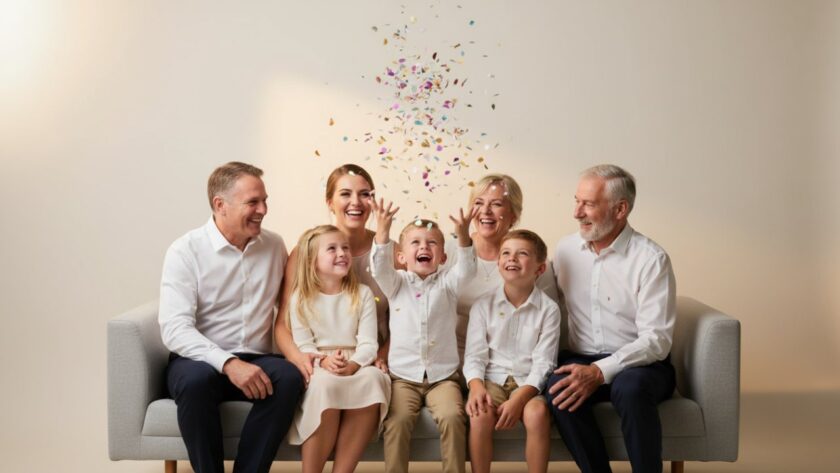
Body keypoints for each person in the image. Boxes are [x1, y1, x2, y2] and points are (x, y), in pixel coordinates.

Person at [159, 162, 303, 473]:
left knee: (289, 377)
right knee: (196, 382)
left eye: (265, 201)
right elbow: (174, 329)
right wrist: (228, 363)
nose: (263, 209)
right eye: (253, 202)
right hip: (198, 360)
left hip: (259, 358)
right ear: (220, 205)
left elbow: (294, 306)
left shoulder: (275, 245)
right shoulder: (186, 251)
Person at [545, 164, 677, 473]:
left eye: (588, 204)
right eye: (576, 201)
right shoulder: (565, 249)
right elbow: (540, 302)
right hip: (580, 355)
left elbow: (656, 340)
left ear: (620, 209)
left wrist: (599, 371)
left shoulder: (651, 259)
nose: (577, 212)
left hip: (641, 364)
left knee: (629, 389)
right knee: (558, 388)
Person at [369, 198, 478, 473]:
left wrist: (464, 235)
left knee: (454, 417)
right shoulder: (395, 283)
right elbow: (380, 266)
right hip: (403, 378)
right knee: (396, 421)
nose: (424, 247)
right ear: (402, 257)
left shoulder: (449, 284)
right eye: (415, 243)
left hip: (443, 378)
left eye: (431, 243)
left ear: (442, 257)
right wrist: (382, 231)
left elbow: (467, 269)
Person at [286, 225, 391, 473]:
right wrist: (323, 361)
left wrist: (354, 364)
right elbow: (304, 345)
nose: (342, 253)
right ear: (313, 262)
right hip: (320, 363)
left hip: (358, 361)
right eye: (332, 249)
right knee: (324, 384)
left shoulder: (362, 294)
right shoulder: (300, 298)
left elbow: (368, 342)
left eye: (345, 248)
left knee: (373, 379)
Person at [275, 164, 390, 382]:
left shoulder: (392, 253)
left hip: (372, 360)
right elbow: (283, 323)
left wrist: (379, 358)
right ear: (330, 202)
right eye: (345, 194)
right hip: (319, 362)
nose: (355, 202)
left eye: (364, 194)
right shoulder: (304, 253)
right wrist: (303, 359)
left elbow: (405, 321)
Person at [463, 229, 561, 473]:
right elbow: (475, 355)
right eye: (506, 253)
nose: (512, 258)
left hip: (528, 381)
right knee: (480, 414)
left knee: (537, 413)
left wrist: (520, 397)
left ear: (540, 269)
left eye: (522, 254)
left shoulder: (549, 310)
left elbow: (544, 363)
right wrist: (476, 387)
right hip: (492, 379)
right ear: (498, 263)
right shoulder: (482, 306)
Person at [440, 174, 559, 361]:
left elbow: (549, 321)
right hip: (451, 359)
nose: (485, 211)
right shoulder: (448, 251)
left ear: (514, 214)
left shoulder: (529, 260)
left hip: (506, 364)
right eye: (479, 203)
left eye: (496, 204)